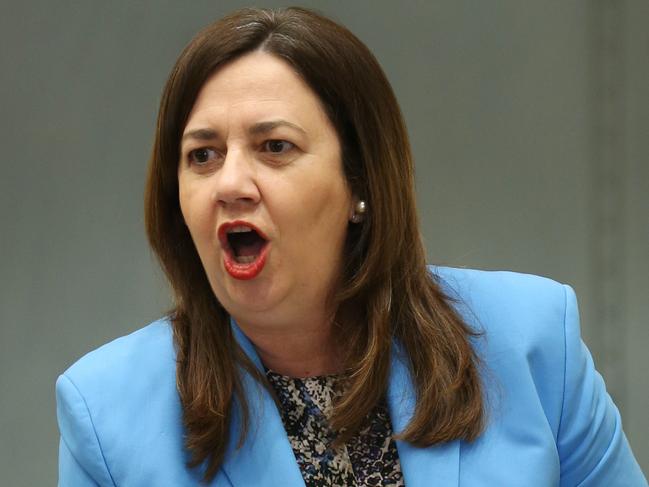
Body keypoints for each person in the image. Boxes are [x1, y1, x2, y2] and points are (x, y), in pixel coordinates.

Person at [56, 7, 646, 486]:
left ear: (359, 182)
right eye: (202, 155)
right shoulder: (105, 413)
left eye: (275, 147)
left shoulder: (532, 344)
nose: (230, 184)